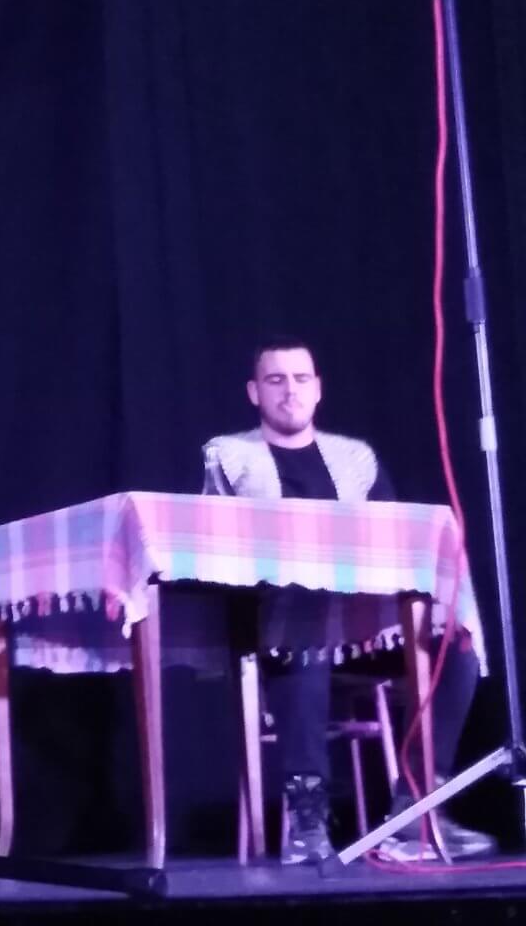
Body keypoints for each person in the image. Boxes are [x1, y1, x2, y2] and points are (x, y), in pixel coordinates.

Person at [202, 336, 494, 864]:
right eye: (275, 380)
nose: (290, 391)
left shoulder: (355, 458)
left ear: (318, 389)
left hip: (365, 626)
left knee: (458, 647)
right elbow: (217, 551)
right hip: (281, 625)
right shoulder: (230, 454)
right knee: (306, 626)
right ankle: (307, 817)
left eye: (301, 379)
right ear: (254, 392)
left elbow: (392, 539)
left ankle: (416, 808)